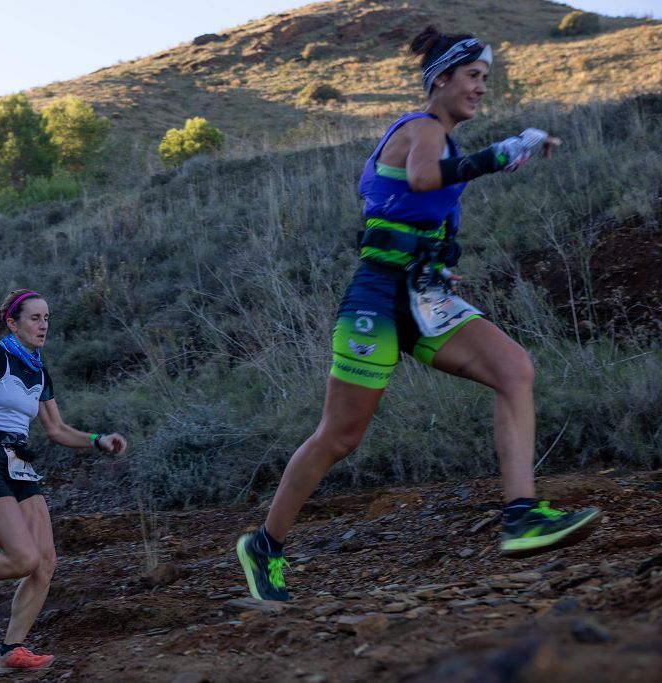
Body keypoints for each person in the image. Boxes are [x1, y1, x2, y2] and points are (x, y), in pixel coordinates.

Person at [236, 26, 600, 602]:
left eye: (486, 79)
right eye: (473, 77)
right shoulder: (421, 128)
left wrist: (443, 255)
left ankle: (522, 516)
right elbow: (422, 179)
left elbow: (420, 205)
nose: (481, 88)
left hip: (425, 301)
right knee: (340, 436)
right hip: (377, 300)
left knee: (514, 369)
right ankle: (265, 544)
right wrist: (499, 153)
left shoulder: (445, 140)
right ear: (441, 80)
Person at [0, 289, 128, 673]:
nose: (43, 325)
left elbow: (56, 429)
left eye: (47, 318)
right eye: (35, 318)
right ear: (13, 323)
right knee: (22, 559)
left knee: (45, 563)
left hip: (20, 463)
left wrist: (98, 441)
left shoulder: (37, 368)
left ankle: (9, 652)